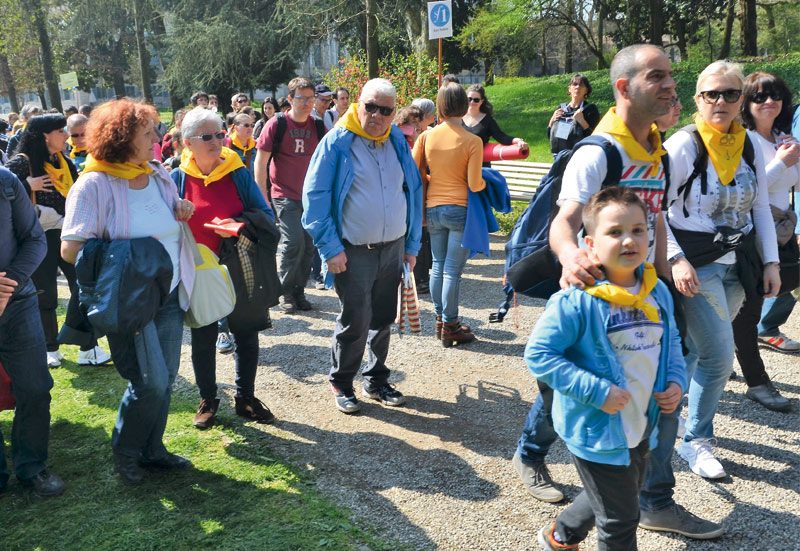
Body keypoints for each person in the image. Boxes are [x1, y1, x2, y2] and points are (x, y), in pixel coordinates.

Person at [517, 44, 723, 539]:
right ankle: (532, 455)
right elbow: (564, 221)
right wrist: (573, 259)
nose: (671, 85)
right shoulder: (598, 151)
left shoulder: (656, 148)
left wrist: (670, 272)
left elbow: (657, 219)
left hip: (648, 293)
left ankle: (654, 497)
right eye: (658, 76)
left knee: (663, 384)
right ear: (624, 88)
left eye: (670, 75)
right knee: (566, 392)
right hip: (594, 300)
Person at [529, 187, 686, 551]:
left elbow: (672, 342)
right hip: (597, 429)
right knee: (620, 520)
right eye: (615, 232)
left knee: (622, 489)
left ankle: (561, 535)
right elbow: (539, 354)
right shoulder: (577, 300)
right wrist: (597, 391)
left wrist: (676, 380)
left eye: (638, 229)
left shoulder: (656, 291)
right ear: (590, 243)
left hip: (640, 422)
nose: (629, 240)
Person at [60, 98, 197, 485]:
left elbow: (172, 210)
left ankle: (153, 450)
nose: (157, 137)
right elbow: (70, 250)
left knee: (165, 379)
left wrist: (181, 208)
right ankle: (126, 452)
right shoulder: (93, 184)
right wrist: (128, 254)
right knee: (149, 381)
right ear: (123, 137)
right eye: (148, 131)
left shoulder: (156, 173)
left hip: (168, 293)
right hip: (130, 299)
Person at [665, 61, 779, 479]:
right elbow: (654, 208)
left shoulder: (748, 144)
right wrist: (675, 259)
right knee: (717, 354)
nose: (720, 101)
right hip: (697, 266)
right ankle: (696, 441)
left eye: (731, 94)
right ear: (697, 98)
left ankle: (670, 416)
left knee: (697, 349)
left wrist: (771, 262)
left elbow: (761, 207)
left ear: (740, 100)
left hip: (739, 266)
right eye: (711, 94)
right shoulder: (684, 145)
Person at [302, 78, 422, 414]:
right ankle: (342, 381)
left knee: (382, 317)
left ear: (393, 112)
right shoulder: (338, 141)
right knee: (356, 318)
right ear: (359, 103)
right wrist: (329, 248)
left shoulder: (396, 139)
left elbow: (412, 191)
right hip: (352, 250)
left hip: (393, 246)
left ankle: (376, 378)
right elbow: (315, 199)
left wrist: (411, 245)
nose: (377, 116)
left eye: (386, 110)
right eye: (371, 107)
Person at [171, 107, 277, 429]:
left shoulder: (236, 171)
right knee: (203, 334)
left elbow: (265, 215)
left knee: (245, 333)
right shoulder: (176, 177)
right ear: (188, 142)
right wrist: (176, 213)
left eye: (219, 133)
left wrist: (237, 223)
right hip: (200, 268)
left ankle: (245, 398)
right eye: (208, 136)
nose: (217, 141)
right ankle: (208, 399)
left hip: (238, 263)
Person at [5, 114, 111, 368]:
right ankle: (50, 348)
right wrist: (27, 184)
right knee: (46, 293)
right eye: (60, 131)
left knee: (82, 287)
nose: (66, 135)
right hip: (37, 237)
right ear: (45, 136)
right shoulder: (21, 164)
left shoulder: (64, 161)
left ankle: (88, 347)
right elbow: (5, 192)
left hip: (68, 233)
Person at [729, 72, 799, 412]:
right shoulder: (745, 140)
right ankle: (756, 382)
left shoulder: (781, 137)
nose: (768, 101)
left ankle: (715, 345)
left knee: (778, 287)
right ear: (746, 103)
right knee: (749, 308)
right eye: (759, 96)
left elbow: (793, 185)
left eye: (774, 94)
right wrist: (782, 162)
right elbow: (750, 191)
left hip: (783, 230)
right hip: (755, 231)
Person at [0, 165, 65, 497]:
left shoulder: (6, 181)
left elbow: (35, 240)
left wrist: (7, 285)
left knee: (36, 388)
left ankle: (31, 467)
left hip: (18, 303)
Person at [413, 84, 484, 346]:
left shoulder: (426, 137)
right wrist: (490, 183)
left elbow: (415, 173)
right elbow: (475, 184)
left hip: (433, 208)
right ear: (464, 106)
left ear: (440, 106)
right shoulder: (472, 141)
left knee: (437, 266)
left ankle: (440, 321)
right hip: (459, 209)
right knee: (452, 271)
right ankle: (451, 325)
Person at [254, 77, 321, 314]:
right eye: (302, 98)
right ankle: (284, 292)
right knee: (293, 242)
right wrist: (262, 196)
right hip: (284, 194)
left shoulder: (318, 126)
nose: (307, 103)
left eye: (311, 98)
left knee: (309, 246)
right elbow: (261, 162)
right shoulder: (277, 124)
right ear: (290, 99)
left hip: (311, 198)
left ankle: (298, 291)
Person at [462, 84, 528, 166]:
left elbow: (502, 137)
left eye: (476, 100)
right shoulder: (458, 117)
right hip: (460, 164)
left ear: (482, 101)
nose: (472, 102)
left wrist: (518, 141)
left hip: (480, 166)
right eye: (469, 99)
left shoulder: (488, 120)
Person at [547, 74, 601, 156]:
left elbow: (594, 138)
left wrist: (582, 121)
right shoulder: (562, 108)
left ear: (586, 90)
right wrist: (552, 120)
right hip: (560, 155)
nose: (577, 87)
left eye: (581, 85)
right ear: (569, 89)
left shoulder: (590, 109)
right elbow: (551, 136)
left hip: (580, 156)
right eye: (575, 84)